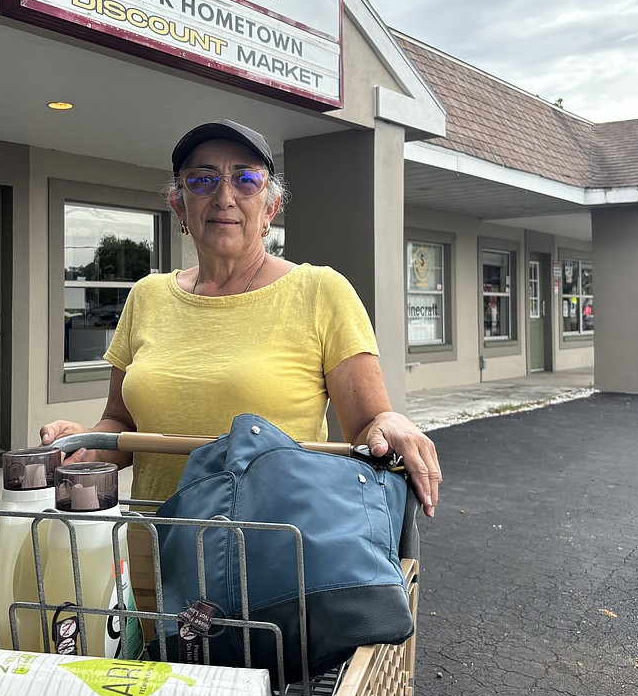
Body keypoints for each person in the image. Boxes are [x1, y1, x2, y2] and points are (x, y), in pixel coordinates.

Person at [40, 119, 441, 613]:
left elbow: (366, 424)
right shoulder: (146, 297)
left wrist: (392, 421)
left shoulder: (320, 291)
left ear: (270, 207)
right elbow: (121, 423)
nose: (224, 196)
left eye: (245, 179)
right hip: (152, 558)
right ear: (179, 205)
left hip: (272, 565)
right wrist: (82, 445)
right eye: (202, 179)